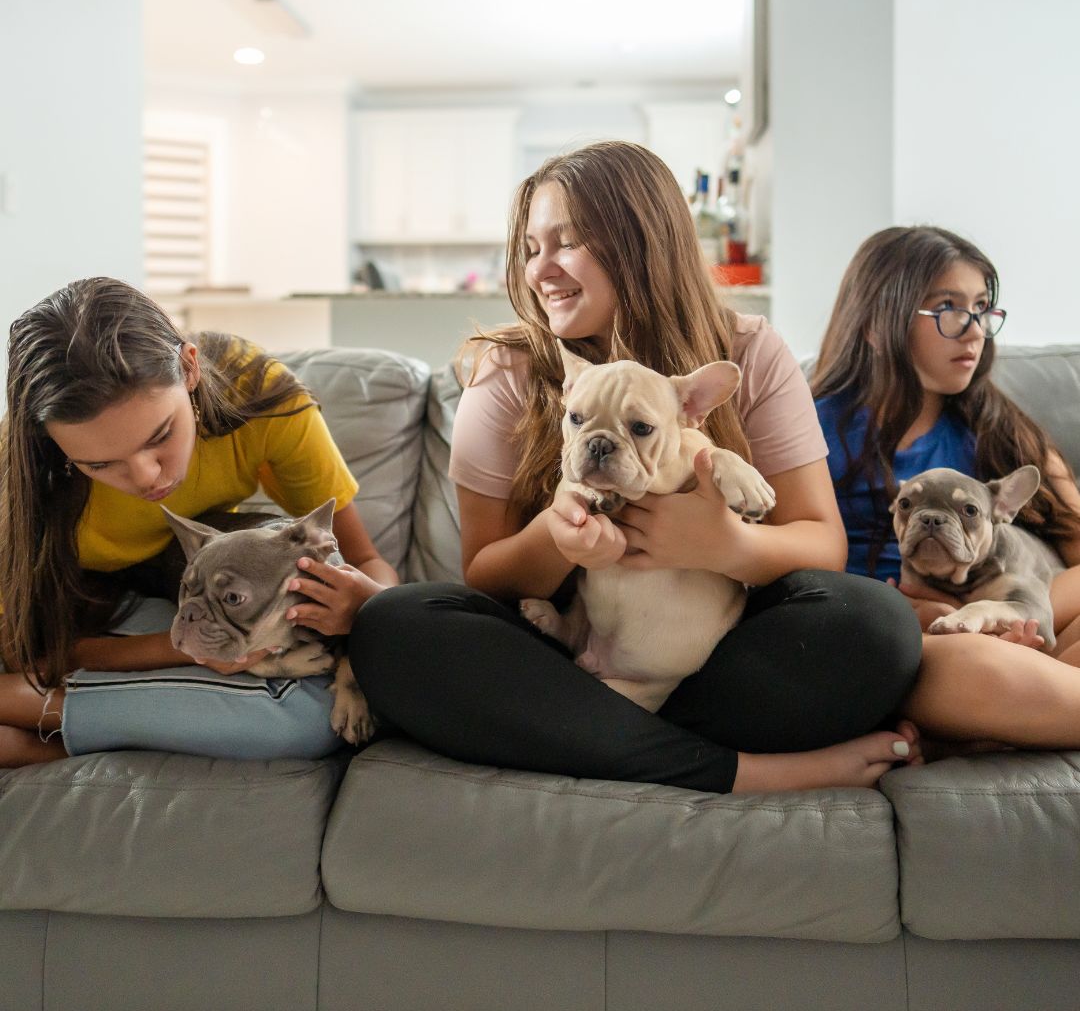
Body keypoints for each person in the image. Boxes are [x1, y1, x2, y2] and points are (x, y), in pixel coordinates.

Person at [340, 140, 928, 795]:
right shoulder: (508, 369)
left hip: (710, 660)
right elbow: (484, 575)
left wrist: (726, 545)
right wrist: (557, 543)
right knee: (393, 626)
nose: (542, 270)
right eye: (531, 249)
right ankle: (737, 772)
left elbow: (821, 540)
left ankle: (602, 741)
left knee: (877, 625)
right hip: (567, 658)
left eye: (566, 243)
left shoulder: (747, 351)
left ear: (641, 240)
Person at [0, 277, 396, 768]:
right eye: (99, 465)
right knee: (295, 717)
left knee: (316, 710)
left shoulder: (257, 392)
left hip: (189, 594)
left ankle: (49, 732)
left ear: (188, 369)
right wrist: (193, 652)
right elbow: (26, 655)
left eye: (160, 435)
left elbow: (366, 560)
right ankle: (47, 721)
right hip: (89, 619)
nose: (146, 477)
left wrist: (362, 607)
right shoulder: (20, 480)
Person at [812, 226, 1080, 664]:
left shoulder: (1003, 429)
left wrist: (996, 613)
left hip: (1008, 622)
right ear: (876, 325)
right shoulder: (814, 430)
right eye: (948, 308)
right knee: (983, 665)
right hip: (891, 641)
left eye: (980, 309)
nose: (974, 331)